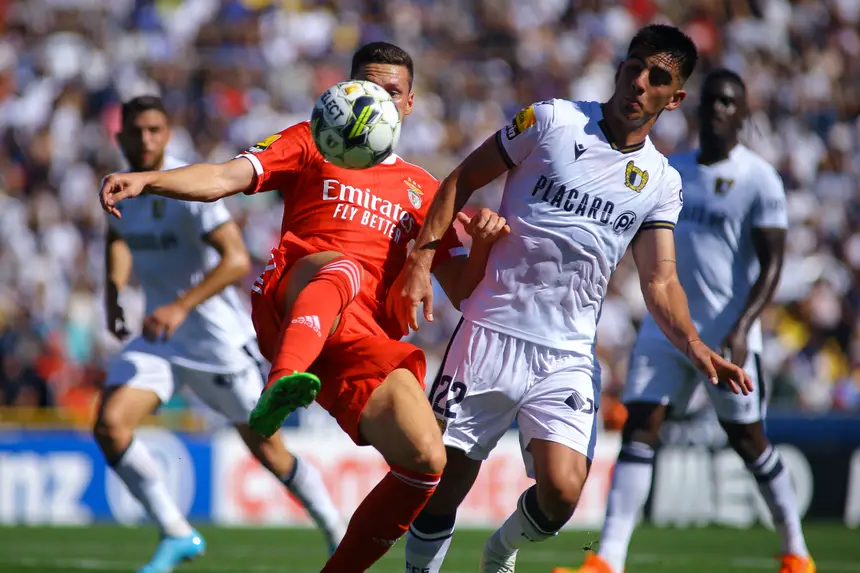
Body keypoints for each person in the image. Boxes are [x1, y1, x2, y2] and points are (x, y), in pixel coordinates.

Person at [99, 44, 510, 573]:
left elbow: (464, 292)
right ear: (344, 89)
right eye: (364, 87)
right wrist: (147, 180)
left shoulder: (425, 191)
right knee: (340, 269)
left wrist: (481, 244)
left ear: (408, 103)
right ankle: (281, 382)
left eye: (389, 93)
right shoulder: (313, 140)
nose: (373, 101)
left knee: (426, 461)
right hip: (295, 297)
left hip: (359, 340)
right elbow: (224, 178)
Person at [393, 25, 753, 573]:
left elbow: (660, 282)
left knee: (561, 495)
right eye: (635, 66)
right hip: (489, 332)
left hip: (565, 354)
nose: (639, 82)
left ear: (674, 98)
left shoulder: (660, 180)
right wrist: (422, 261)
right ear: (620, 67)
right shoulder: (553, 121)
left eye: (657, 77)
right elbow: (461, 179)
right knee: (443, 489)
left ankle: (499, 550)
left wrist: (696, 346)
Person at [554, 69, 815, 573]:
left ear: (742, 114)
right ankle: (606, 560)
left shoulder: (759, 178)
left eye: (728, 103)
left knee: (748, 440)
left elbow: (773, 263)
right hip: (664, 325)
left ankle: (797, 551)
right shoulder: (672, 170)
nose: (718, 109)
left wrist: (744, 325)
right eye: (712, 101)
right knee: (640, 427)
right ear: (696, 109)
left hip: (726, 332)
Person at [96, 96, 344, 573]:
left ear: (166, 135)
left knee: (269, 452)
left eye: (155, 130)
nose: (146, 139)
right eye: (137, 132)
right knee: (110, 425)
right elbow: (118, 237)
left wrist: (178, 307)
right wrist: (112, 292)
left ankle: (336, 530)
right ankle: (176, 533)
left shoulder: (183, 188)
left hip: (217, 343)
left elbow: (234, 260)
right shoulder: (120, 187)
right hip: (162, 341)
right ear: (120, 137)